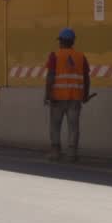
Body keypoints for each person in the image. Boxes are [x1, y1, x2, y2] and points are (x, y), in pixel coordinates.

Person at [44, 28, 91, 162]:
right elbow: (86, 77)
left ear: (61, 41)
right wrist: (85, 95)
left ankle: (55, 152)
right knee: (73, 126)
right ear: (72, 42)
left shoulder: (55, 55)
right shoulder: (81, 57)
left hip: (57, 98)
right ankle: (72, 154)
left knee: (55, 125)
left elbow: (50, 76)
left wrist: (47, 94)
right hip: (75, 98)